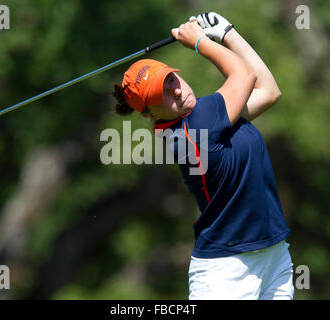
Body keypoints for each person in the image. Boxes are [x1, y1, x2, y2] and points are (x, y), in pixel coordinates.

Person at [112, 12, 293, 300]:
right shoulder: (198, 126)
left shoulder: (212, 118)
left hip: (272, 253)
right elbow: (244, 75)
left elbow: (269, 91)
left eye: (170, 78)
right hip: (227, 271)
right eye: (163, 93)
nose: (176, 90)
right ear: (149, 113)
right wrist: (199, 42)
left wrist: (228, 34)